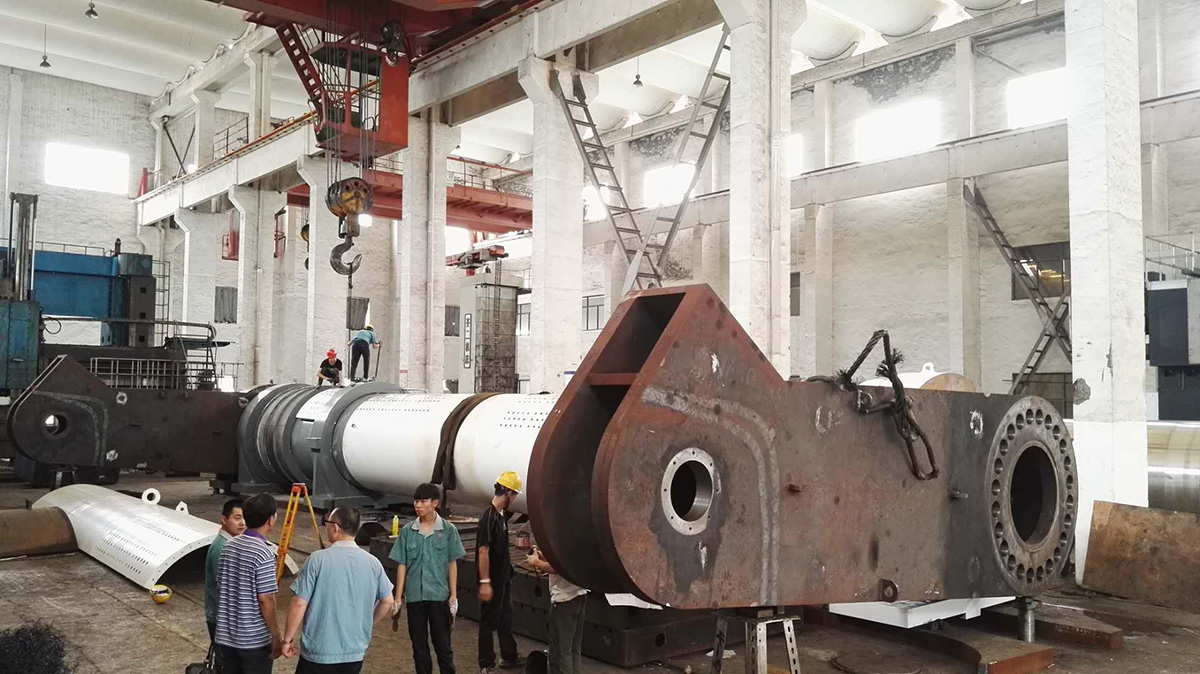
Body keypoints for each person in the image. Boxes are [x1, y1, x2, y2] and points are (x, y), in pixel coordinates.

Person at [282, 507, 394, 674]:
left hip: (319, 652)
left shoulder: (317, 560)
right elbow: (387, 601)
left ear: (335, 527)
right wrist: (367, 622)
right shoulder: (373, 563)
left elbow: (299, 603)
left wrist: (287, 640)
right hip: (354, 652)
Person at [389, 483, 466, 674]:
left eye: (423, 501)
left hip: (438, 596)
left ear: (435, 503)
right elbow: (402, 565)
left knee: (443, 645)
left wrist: (453, 596)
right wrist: (398, 597)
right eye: (416, 501)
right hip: (415, 596)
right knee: (419, 647)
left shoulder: (448, 530)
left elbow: (452, 563)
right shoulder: (408, 531)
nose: (418, 505)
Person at [215, 493, 282, 674]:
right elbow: (266, 599)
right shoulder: (264, 553)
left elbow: (221, 588)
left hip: (225, 638)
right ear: (271, 520)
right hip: (253, 642)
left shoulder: (228, 546)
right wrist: (276, 635)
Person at [477, 471, 525, 674]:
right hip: (493, 580)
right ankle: (486, 664)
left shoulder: (501, 516)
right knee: (489, 621)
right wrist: (485, 582)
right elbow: (483, 551)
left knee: (506, 617)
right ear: (508, 493)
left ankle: (509, 655)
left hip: (503, 578)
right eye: (514, 495)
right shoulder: (489, 517)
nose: (514, 500)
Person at [525, 548, 587, 674]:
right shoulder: (579, 540)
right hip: (578, 595)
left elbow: (556, 568)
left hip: (564, 600)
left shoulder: (567, 538)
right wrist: (547, 557)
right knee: (573, 648)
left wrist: (536, 562)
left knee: (561, 652)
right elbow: (566, 561)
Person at [205, 498, 246, 641]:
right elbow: (225, 587)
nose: (243, 523)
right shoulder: (222, 548)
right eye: (237, 518)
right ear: (223, 519)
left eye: (245, 518)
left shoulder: (229, 544)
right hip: (221, 619)